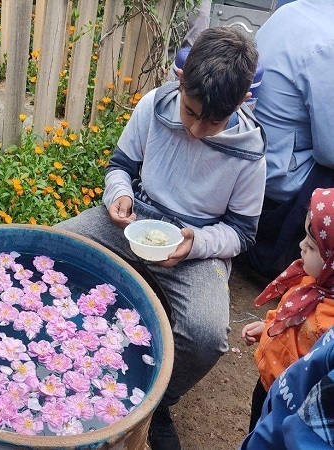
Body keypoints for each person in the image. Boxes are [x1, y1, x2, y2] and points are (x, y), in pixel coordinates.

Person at [56, 27, 266, 449]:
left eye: (213, 121)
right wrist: (119, 196)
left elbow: (242, 233)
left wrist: (196, 244)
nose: (196, 129)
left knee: (207, 335)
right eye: (191, 112)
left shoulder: (250, 151)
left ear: (241, 103)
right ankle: (64, 346)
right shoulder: (153, 106)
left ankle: (158, 402)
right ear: (181, 81)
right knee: (59, 246)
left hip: (194, 245)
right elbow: (120, 165)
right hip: (135, 220)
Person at [245, 0, 334, 279]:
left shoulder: (290, 10)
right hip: (280, 183)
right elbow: (330, 152)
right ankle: (318, 274)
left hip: (249, 156)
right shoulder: (327, 44)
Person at [242, 188, 334, 431]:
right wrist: (269, 327)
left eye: (313, 247)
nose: (302, 245)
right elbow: (291, 316)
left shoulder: (329, 327)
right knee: (256, 427)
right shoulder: (314, 282)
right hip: (268, 383)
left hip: (292, 404)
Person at [240, 326, 334, 449]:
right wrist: (272, 327)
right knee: (256, 427)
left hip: (291, 406)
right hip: (275, 388)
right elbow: (293, 313)